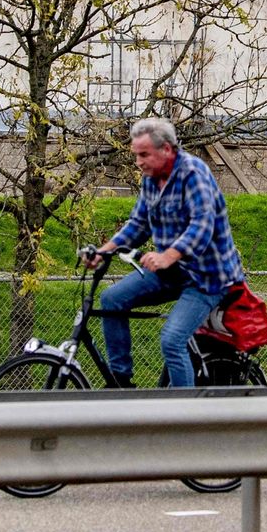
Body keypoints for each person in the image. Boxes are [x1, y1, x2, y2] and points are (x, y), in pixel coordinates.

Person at [91, 117, 247, 389]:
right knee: (112, 299)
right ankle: (121, 381)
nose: (138, 162)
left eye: (144, 155)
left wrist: (168, 256)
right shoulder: (151, 179)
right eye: (136, 155)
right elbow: (138, 224)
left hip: (207, 278)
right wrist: (104, 251)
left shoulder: (193, 174)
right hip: (172, 272)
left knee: (172, 339)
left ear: (166, 150)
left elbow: (202, 225)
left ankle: (181, 415)